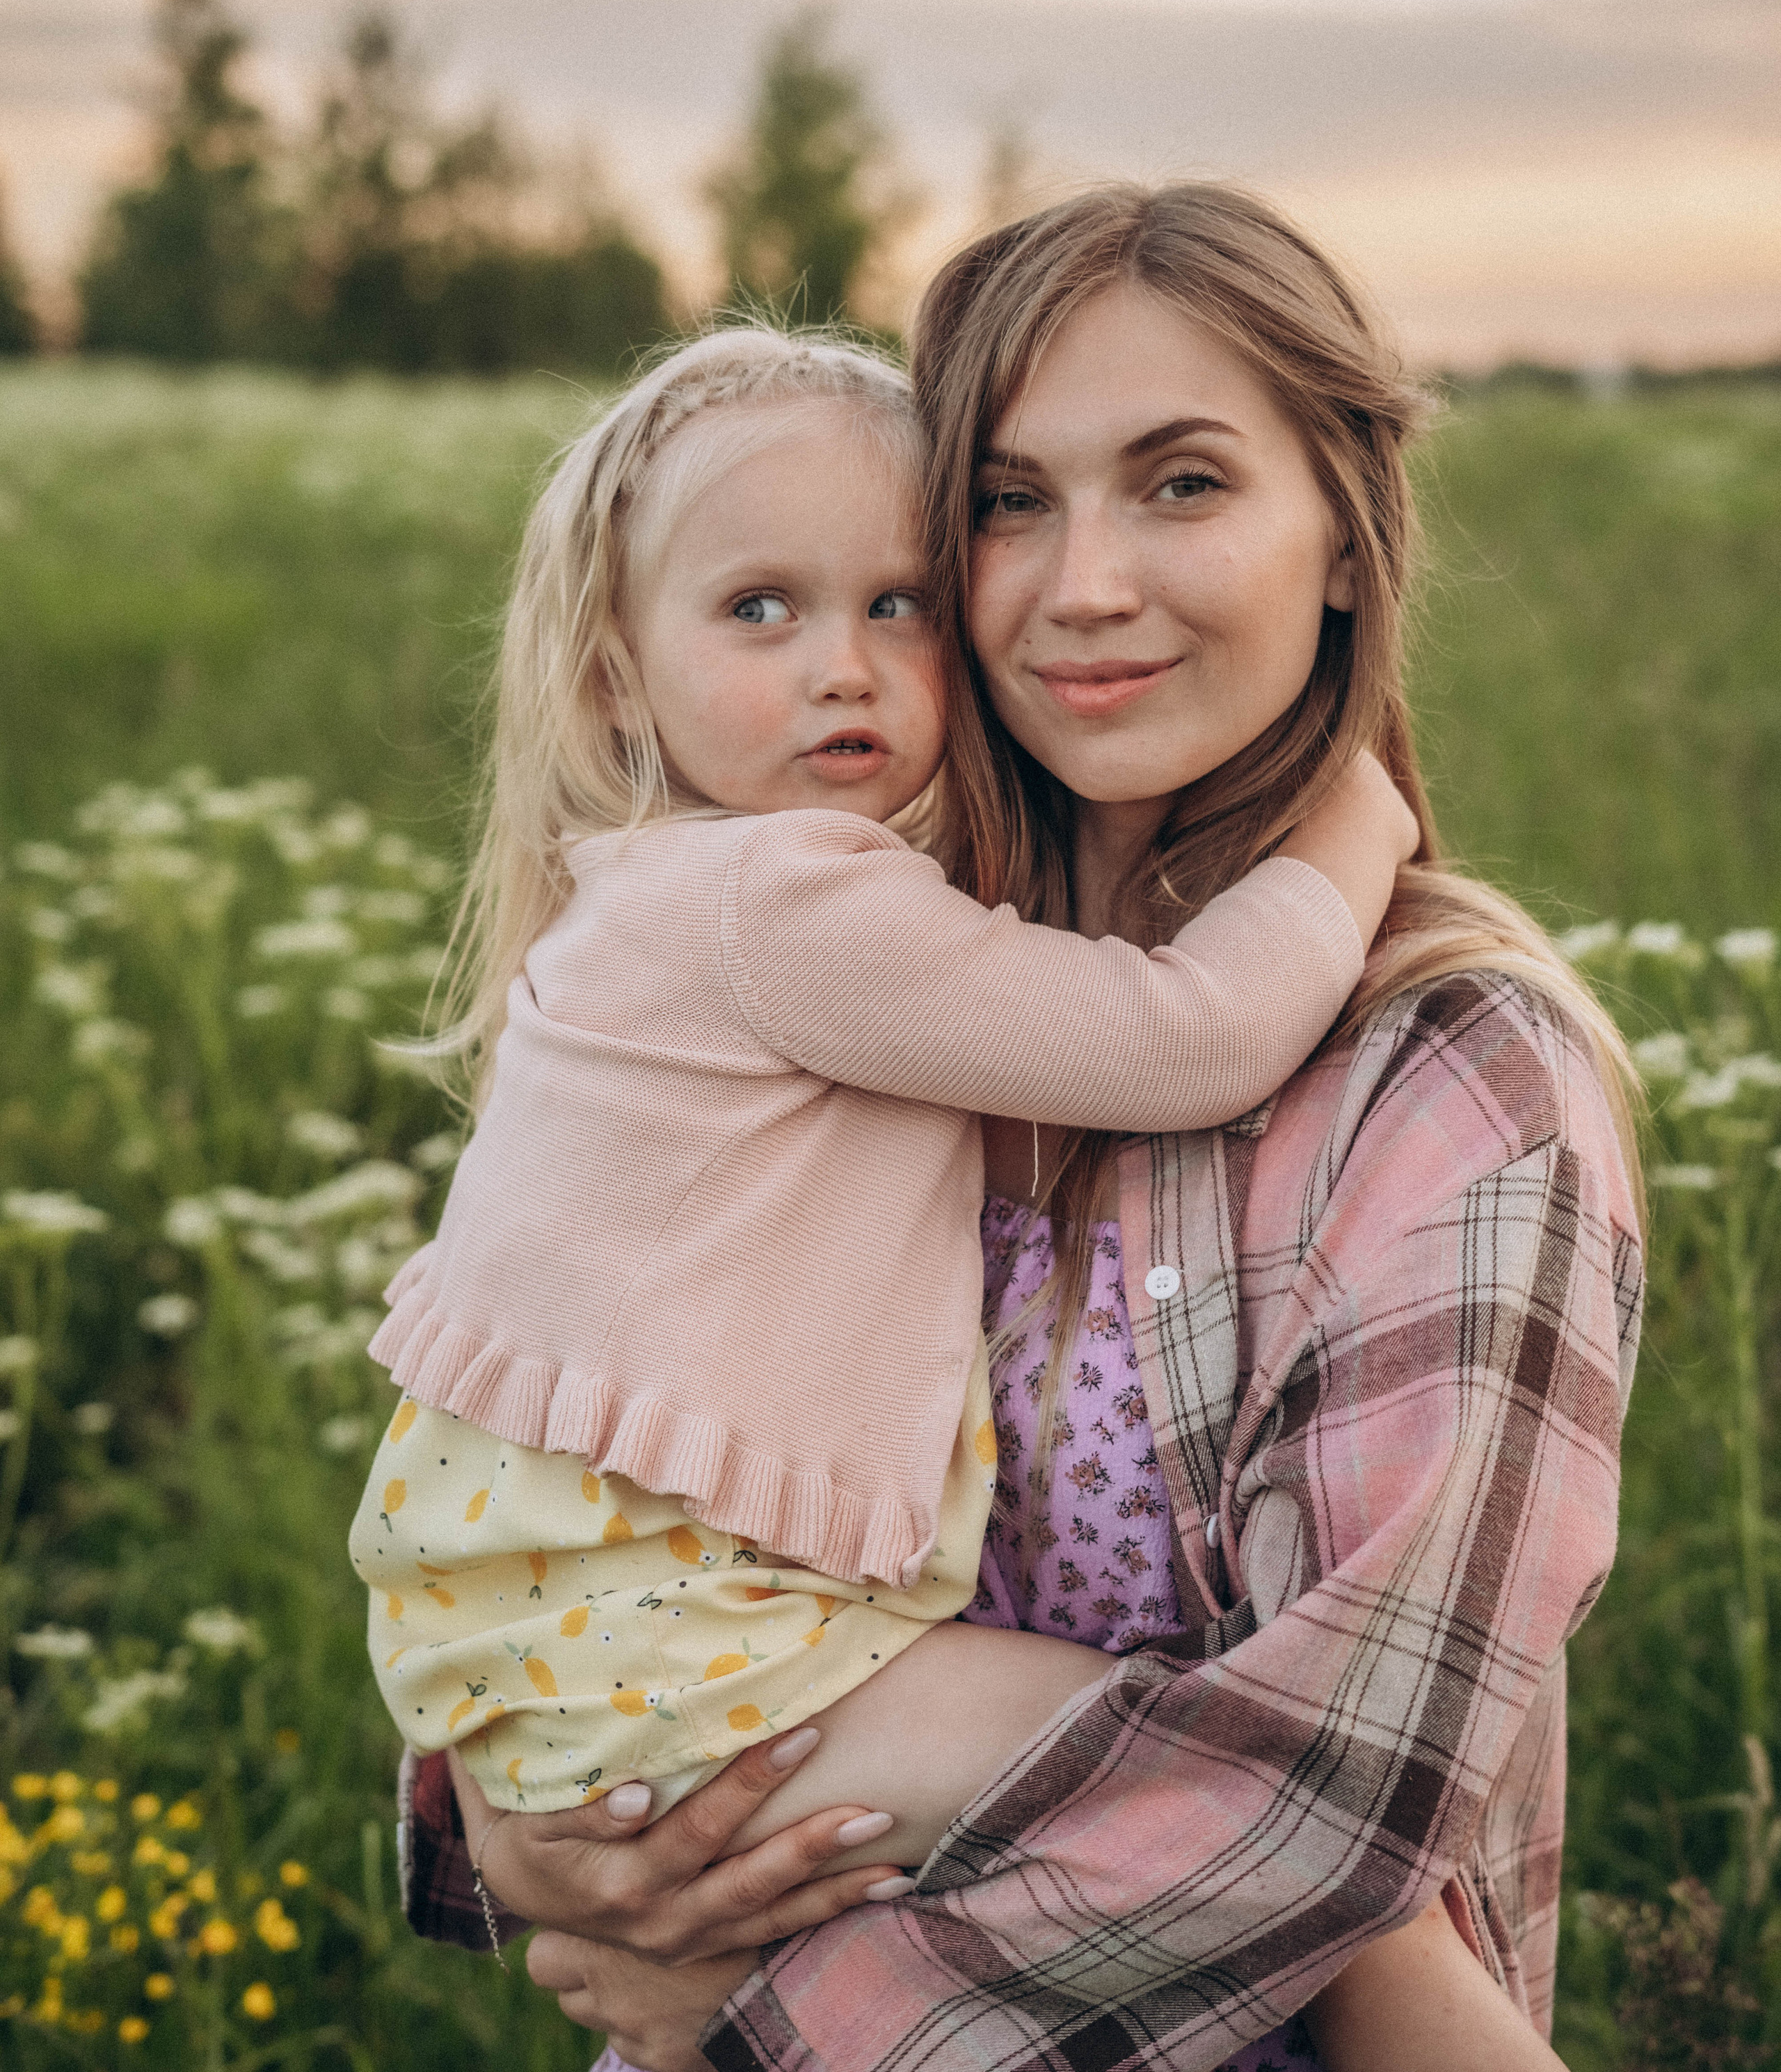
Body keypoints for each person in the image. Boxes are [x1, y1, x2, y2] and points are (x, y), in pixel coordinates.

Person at [399, 207, 1780, 2072]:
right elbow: (609, 1483)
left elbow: (1337, 1805)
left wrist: (774, 2014)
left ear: (1347, 530)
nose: (1088, 582)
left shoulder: (1450, 1094)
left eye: (1188, 481)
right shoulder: (879, 995)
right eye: (1009, 502)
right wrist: (508, 1843)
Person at [349, 324, 1409, 1843]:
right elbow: (1186, 1037)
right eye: (757, 608)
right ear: (617, 684)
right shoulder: (775, 900)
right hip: (687, 1647)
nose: (839, 666)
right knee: (1242, 1791)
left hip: (586, 1644)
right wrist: (1356, 824)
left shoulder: (662, 892)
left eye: (895, 604)